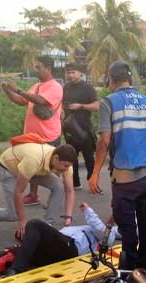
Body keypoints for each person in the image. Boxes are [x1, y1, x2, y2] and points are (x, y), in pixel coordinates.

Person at [89, 61, 146, 270]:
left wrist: (95, 172)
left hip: (125, 178)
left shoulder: (109, 102)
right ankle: (145, 269)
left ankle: (128, 273)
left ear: (110, 80)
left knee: (127, 227)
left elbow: (104, 141)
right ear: (130, 79)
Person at [0, 143, 77, 237]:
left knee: (59, 186)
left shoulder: (66, 164)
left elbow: (70, 190)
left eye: (69, 166)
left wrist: (68, 217)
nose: (67, 169)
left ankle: (48, 224)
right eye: (65, 166)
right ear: (56, 158)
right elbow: (18, 192)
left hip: (32, 168)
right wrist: (22, 221)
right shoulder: (34, 159)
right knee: (13, 214)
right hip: (9, 168)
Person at [1, 56, 63, 206]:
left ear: (48, 68)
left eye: (39, 67)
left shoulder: (55, 87)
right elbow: (21, 101)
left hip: (48, 134)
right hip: (32, 135)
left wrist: (17, 89)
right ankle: (33, 195)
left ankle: (56, 196)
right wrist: (8, 91)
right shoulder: (36, 85)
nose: (36, 70)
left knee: (53, 167)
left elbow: (41, 100)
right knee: (32, 166)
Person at [11, 203, 119, 273]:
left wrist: (88, 211)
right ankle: (16, 262)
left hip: (70, 248)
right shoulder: (91, 229)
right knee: (24, 242)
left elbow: (102, 232)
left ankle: (17, 269)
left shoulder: (108, 234)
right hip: (55, 251)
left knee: (34, 223)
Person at [62, 63, 100, 191]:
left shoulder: (87, 88)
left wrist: (81, 106)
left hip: (84, 129)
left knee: (89, 158)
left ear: (80, 73)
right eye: (68, 72)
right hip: (69, 129)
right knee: (72, 158)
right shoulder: (65, 88)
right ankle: (75, 183)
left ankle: (93, 182)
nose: (70, 75)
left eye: (73, 72)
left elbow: (96, 106)